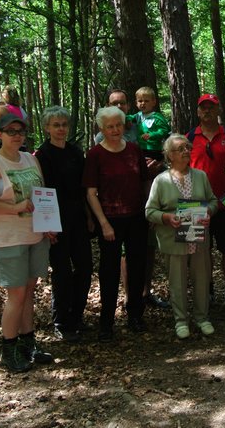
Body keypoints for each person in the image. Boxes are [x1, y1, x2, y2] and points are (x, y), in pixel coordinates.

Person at [0, 113, 53, 372]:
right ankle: (9, 350)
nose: (17, 135)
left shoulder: (30, 159)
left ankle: (28, 344)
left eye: (21, 131)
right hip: (7, 239)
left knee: (29, 292)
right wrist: (13, 207)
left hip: (34, 235)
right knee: (16, 295)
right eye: (10, 131)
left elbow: (41, 195)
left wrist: (49, 224)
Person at [83, 106, 149, 342]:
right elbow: (91, 193)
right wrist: (103, 224)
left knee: (138, 267)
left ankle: (135, 316)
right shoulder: (95, 155)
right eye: (109, 126)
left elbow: (143, 182)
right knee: (109, 271)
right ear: (101, 128)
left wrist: (146, 210)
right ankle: (106, 322)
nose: (114, 130)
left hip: (136, 217)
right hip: (110, 219)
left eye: (118, 125)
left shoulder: (133, 150)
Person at [145, 134, 217, 339]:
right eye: (180, 149)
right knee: (177, 281)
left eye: (188, 147)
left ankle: (202, 318)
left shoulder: (201, 176)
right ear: (169, 155)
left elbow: (212, 202)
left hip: (198, 236)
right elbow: (149, 211)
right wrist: (167, 217)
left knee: (202, 278)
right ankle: (181, 320)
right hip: (173, 239)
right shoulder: (161, 180)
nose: (186, 151)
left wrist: (208, 213)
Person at [35, 106, 93, 342]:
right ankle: (62, 321)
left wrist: (89, 217)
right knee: (62, 271)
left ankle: (77, 315)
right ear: (47, 128)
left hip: (78, 216)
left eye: (64, 124)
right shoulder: (43, 155)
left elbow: (84, 189)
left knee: (85, 267)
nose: (61, 129)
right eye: (56, 125)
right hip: (54, 219)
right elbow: (40, 192)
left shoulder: (76, 152)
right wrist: (46, 225)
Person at [188, 93, 225, 311]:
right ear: (198, 112)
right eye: (203, 108)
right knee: (198, 251)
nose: (207, 111)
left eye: (212, 107)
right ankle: (206, 292)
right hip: (194, 204)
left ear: (218, 110)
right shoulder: (189, 137)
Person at [130, 86, 171, 162]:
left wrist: (152, 135)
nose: (143, 103)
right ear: (136, 103)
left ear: (153, 102)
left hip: (154, 150)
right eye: (140, 101)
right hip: (141, 149)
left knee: (155, 168)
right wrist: (120, 116)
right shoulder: (138, 115)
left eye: (146, 101)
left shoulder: (157, 117)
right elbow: (129, 117)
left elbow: (164, 130)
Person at [0, 85, 28, 153]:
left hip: (5, 147)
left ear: (5, 96)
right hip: (21, 147)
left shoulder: (1, 110)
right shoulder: (22, 111)